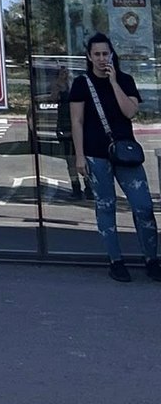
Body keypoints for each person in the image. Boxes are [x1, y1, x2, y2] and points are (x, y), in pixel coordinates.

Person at [69, 32, 160, 282]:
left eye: (105, 54)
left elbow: (130, 112)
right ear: (89, 57)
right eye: (96, 54)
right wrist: (79, 156)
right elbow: (77, 122)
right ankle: (116, 261)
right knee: (105, 206)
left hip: (125, 153)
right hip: (96, 155)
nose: (101, 58)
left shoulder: (125, 80)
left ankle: (152, 259)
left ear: (111, 55)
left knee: (143, 206)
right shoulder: (81, 84)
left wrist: (114, 82)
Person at [51, 61, 89, 199]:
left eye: (67, 71)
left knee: (85, 155)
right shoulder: (57, 84)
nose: (65, 74)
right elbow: (53, 98)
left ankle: (89, 186)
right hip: (65, 123)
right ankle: (76, 187)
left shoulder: (77, 84)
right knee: (70, 158)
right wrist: (59, 85)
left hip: (80, 123)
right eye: (62, 72)